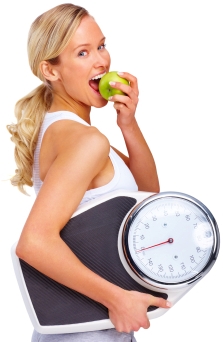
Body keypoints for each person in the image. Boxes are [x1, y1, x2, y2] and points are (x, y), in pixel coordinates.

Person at [7, 3, 171, 342]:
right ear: (50, 70)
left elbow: (148, 201)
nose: (101, 60)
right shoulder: (85, 140)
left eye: (101, 45)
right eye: (82, 52)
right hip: (86, 333)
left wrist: (128, 123)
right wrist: (118, 299)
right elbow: (33, 243)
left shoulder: (73, 133)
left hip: (94, 327)